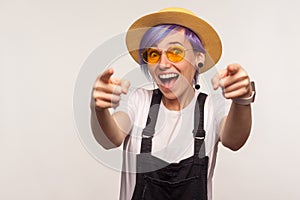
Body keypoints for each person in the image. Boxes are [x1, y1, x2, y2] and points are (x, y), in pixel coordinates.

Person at [90, 7, 255, 200]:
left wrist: (242, 101)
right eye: (153, 54)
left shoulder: (213, 106)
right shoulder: (137, 100)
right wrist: (99, 108)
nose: (162, 64)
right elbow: (109, 139)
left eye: (175, 52)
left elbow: (234, 141)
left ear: (198, 58)